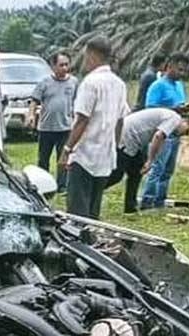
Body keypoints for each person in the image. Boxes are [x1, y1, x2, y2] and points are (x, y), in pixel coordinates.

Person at [60, 37, 131, 219]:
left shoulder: (90, 83)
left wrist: (67, 149)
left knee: (77, 209)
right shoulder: (119, 84)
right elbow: (120, 120)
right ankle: (90, 240)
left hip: (84, 155)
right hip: (105, 156)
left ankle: (79, 243)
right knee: (93, 208)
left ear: (92, 55)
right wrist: (114, 146)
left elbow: (82, 119)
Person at [107, 109, 189, 213]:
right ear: (185, 122)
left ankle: (130, 207)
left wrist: (149, 159)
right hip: (127, 138)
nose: (186, 134)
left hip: (134, 141)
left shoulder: (168, 117)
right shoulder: (175, 119)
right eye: (187, 130)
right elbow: (158, 136)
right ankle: (89, 193)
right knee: (116, 175)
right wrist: (150, 161)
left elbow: (158, 139)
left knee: (137, 171)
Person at [140, 53, 189, 209]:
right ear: (169, 66)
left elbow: (179, 105)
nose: (182, 74)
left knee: (168, 170)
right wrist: (173, 109)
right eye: (179, 70)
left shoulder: (179, 85)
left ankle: (159, 201)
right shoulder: (158, 85)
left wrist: (184, 110)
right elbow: (149, 108)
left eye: (184, 71)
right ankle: (147, 202)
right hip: (162, 134)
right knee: (157, 168)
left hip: (176, 132)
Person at [28, 51, 78, 192]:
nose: (64, 68)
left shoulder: (73, 82)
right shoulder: (45, 83)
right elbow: (34, 100)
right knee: (43, 159)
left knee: (62, 158)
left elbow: (77, 102)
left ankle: (62, 186)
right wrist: (31, 115)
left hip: (65, 127)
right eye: (61, 65)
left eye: (66, 65)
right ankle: (42, 184)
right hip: (46, 128)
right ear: (53, 66)